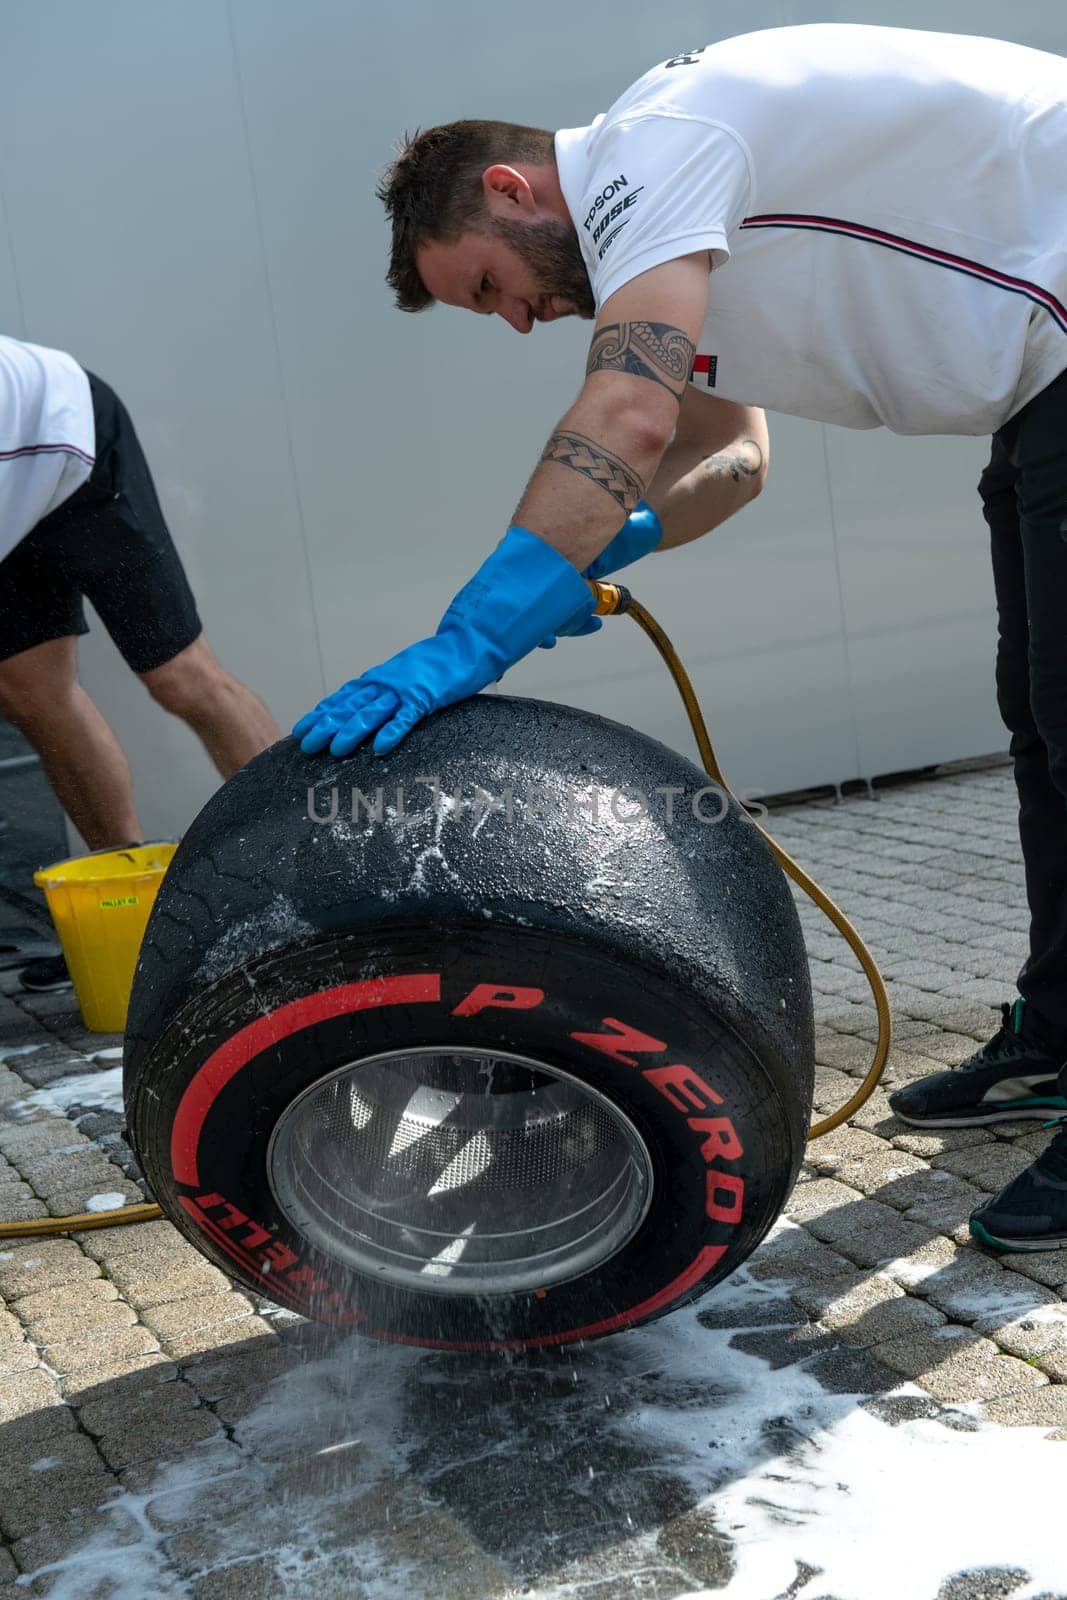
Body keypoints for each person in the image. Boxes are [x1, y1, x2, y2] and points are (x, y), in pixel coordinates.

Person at [293, 23, 1067, 1251]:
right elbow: (732, 456)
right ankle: (1057, 1035)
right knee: (1039, 718)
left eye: (489, 285)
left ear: (512, 189)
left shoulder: (651, 148)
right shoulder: (672, 235)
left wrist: (472, 637)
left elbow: (630, 406)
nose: (513, 320)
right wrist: (601, 556)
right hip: (1041, 388)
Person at [0, 333, 279, 989]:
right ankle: (130, 917)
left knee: (179, 677)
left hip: (67, 439)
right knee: (32, 696)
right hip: (11, 482)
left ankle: (313, 877)